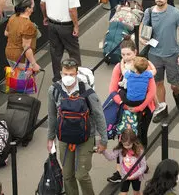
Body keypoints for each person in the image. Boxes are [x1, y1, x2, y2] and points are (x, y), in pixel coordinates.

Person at [47, 59, 108, 195]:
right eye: (65, 74)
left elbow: (99, 115)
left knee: (81, 174)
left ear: (76, 73)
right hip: (64, 137)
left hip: (86, 136)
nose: (67, 77)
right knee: (67, 175)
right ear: (60, 73)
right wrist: (50, 138)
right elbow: (51, 115)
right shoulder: (54, 90)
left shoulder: (87, 91)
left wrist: (103, 140)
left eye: (71, 74)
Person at [106, 39, 156, 183]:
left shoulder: (143, 67)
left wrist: (139, 107)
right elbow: (112, 89)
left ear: (135, 52)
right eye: (123, 54)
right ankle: (120, 170)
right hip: (125, 110)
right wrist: (122, 103)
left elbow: (151, 92)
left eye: (129, 54)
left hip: (144, 110)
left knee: (141, 136)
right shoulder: (118, 68)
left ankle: (141, 162)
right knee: (123, 139)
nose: (126, 57)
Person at [140, 0, 179, 123]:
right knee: (158, 83)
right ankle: (163, 108)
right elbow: (143, 29)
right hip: (154, 55)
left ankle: (177, 95)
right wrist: (142, 39)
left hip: (172, 54)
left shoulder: (175, 13)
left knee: (174, 85)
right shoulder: (149, 12)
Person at [39, 0, 81, 82]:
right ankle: (76, 77)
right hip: (66, 25)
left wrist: (45, 16)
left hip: (52, 24)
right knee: (73, 52)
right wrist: (76, 25)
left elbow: (42, 3)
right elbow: (72, 9)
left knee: (55, 52)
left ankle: (58, 77)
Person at [100, 129, 147, 195]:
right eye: (124, 144)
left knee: (136, 192)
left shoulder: (139, 150)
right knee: (123, 193)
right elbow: (110, 157)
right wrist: (103, 152)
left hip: (136, 176)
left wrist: (133, 176)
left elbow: (143, 166)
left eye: (128, 145)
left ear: (134, 141)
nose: (126, 147)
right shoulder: (120, 149)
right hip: (125, 176)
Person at [4, 0, 41, 71]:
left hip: (9, 53)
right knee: (24, 79)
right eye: (32, 6)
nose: (33, 7)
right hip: (21, 58)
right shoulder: (28, 25)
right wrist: (34, 64)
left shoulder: (13, 17)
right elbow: (26, 47)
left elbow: (6, 33)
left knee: (16, 77)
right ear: (28, 9)